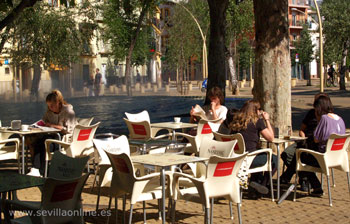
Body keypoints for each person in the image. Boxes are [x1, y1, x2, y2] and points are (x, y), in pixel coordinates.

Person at [283, 95, 345, 196]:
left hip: (322, 157)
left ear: (319, 108)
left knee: (301, 156)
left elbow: (316, 139)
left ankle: (310, 184)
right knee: (302, 154)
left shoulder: (324, 119)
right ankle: (305, 183)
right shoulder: (340, 119)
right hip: (337, 157)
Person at [281, 93, 328, 188]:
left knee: (301, 156)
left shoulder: (327, 118)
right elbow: (302, 129)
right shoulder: (311, 113)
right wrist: (302, 136)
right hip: (304, 141)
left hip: (314, 145)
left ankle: (291, 177)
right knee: (287, 154)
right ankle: (303, 177)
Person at [230, 99, 276, 195]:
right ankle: (262, 185)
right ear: (256, 111)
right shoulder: (257, 122)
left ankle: (254, 185)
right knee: (274, 159)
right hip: (250, 158)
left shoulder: (236, 120)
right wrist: (266, 119)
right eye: (259, 109)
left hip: (236, 158)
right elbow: (271, 138)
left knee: (259, 152)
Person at [27, 90, 77, 176]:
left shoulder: (68, 112)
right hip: (52, 136)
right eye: (49, 106)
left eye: (52, 106)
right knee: (37, 142)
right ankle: (36, 169)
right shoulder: (49, 112)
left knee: (45, 145)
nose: (50, 108)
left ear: (58, 103)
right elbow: (43, 121)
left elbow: (69, 130)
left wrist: (52, 125)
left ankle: (40, 170)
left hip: (64, 139)